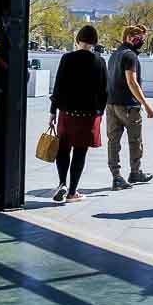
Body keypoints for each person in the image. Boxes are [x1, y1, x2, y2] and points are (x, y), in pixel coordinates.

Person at [47, 24, 108, 203]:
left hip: (67, 113)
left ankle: (62, 183)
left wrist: (52, 112)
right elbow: (104, 91)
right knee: (80, 153)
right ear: (95, 42)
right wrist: (100, 113)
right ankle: (73, 192)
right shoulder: (100, 61)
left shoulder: (67, 58)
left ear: (78, 40)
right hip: (88, 116)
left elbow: (58, 87)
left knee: (63, 149)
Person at [103, 24, 153, 189]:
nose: (141, 41)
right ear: (129, 38)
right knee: (135, 140)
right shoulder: (130, 56)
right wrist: (146, 104)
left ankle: (116, 176)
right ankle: (135, 172)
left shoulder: (114, 55)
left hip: (111, 104)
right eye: (139, 38)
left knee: (113, 141)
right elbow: (132, 82)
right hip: (128, 105)